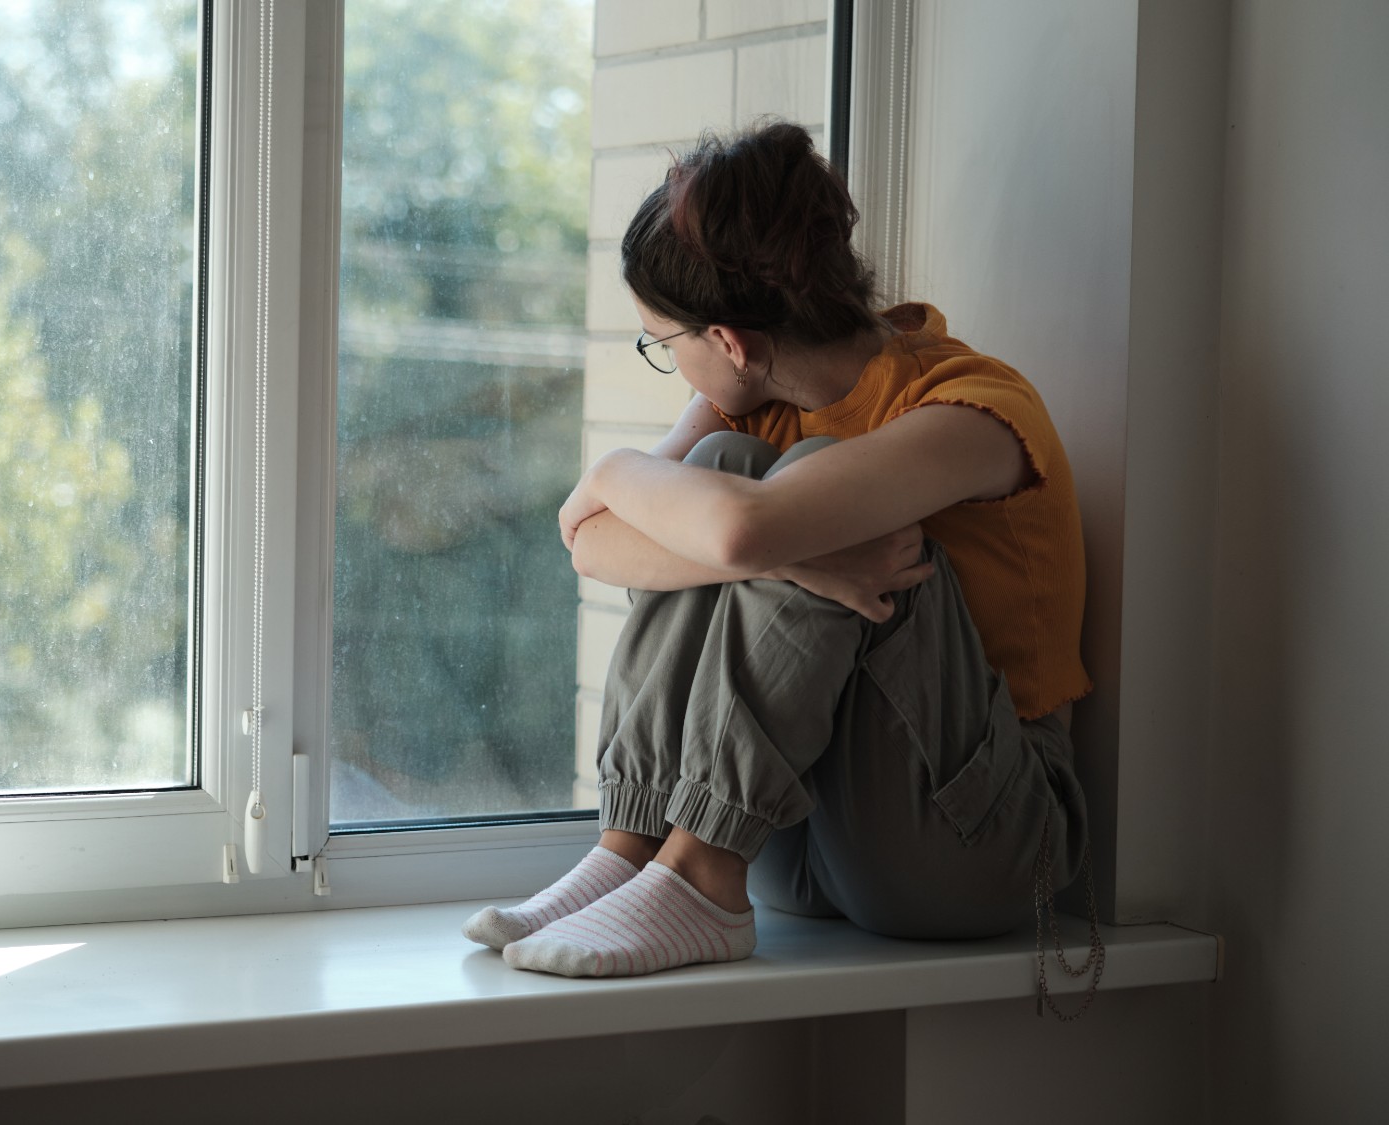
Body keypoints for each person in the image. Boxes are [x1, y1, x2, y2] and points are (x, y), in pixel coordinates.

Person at [462, 121, 1095, 988]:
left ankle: (701, 878)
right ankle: (639, 843)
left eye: (665, 343)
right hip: (808, 832)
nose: (674, 367)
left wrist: (623, 469)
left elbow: (734, 529)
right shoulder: (747, 406)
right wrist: (776, 557)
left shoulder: (973, 412)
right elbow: (593, 537)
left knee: (809, 496)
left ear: (730, 342)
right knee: (725, 478)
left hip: (982, 843)